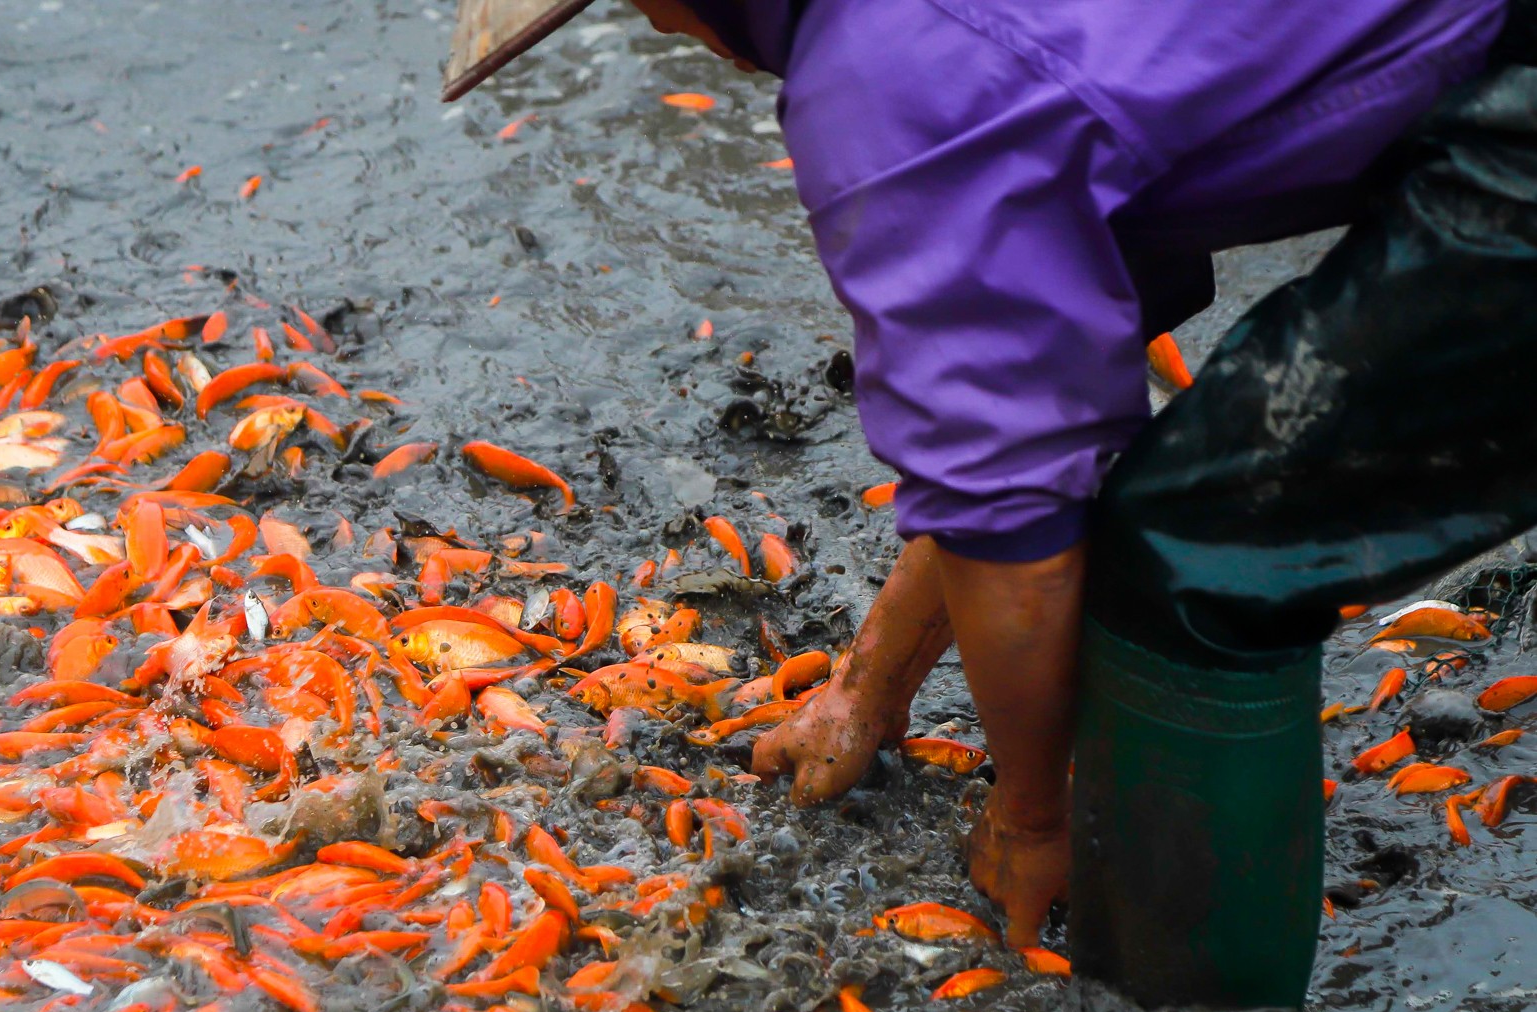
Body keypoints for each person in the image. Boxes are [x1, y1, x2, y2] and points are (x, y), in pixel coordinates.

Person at [448, 0, 1518, 949]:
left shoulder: (893, 83)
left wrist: (1033, 819)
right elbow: (1020, 426)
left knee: (1201, 549)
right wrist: (870, 686)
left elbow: (1014, 535)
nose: (654, 25)